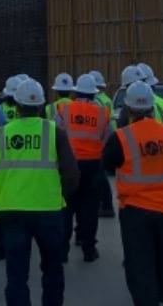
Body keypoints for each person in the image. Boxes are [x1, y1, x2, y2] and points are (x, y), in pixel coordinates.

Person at [0, 78, 79, 306]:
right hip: (48, 210)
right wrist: (57, 194)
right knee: (52, 269)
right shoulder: (55, 132)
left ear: (16, 105)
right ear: (41, 105)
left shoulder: (0, 134)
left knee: (16, 274)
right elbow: (72, 175)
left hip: (11, 210)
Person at [102, 81, 163, 306]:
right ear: (152, 108)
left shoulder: (122, 137)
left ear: (128, 109)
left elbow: (107, 163)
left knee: (141, 266)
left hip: (137, 212)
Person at [57, 73, 109, 262]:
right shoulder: (102, 112)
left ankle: (62, 252)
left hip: (69, 164)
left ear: (76, 92)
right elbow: (106, 139)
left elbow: (57, 135)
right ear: (94, 94)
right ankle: (88, 249)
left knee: (66, 208)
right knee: (89, 210)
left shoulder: (63, 109)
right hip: (93, 166)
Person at [89, 70, 116, 219]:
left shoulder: (97, 101)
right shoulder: (106, 98)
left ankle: (105, 205)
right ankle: (106, 204)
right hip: (110, 136)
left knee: (100, 176)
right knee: (102, 174)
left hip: (102, 139)